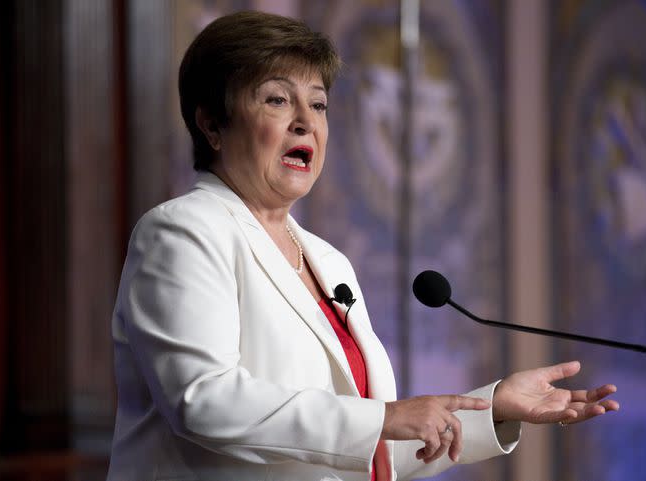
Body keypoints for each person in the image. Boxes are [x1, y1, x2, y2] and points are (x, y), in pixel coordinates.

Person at [106, 11, 619, 481]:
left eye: (319, 103)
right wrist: (385, 417)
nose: (306, 120)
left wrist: (495, 409)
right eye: (278, 99)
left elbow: (367, 450)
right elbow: (203, 400)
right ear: (212, 123)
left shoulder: (328, 261)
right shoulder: (182, 232)